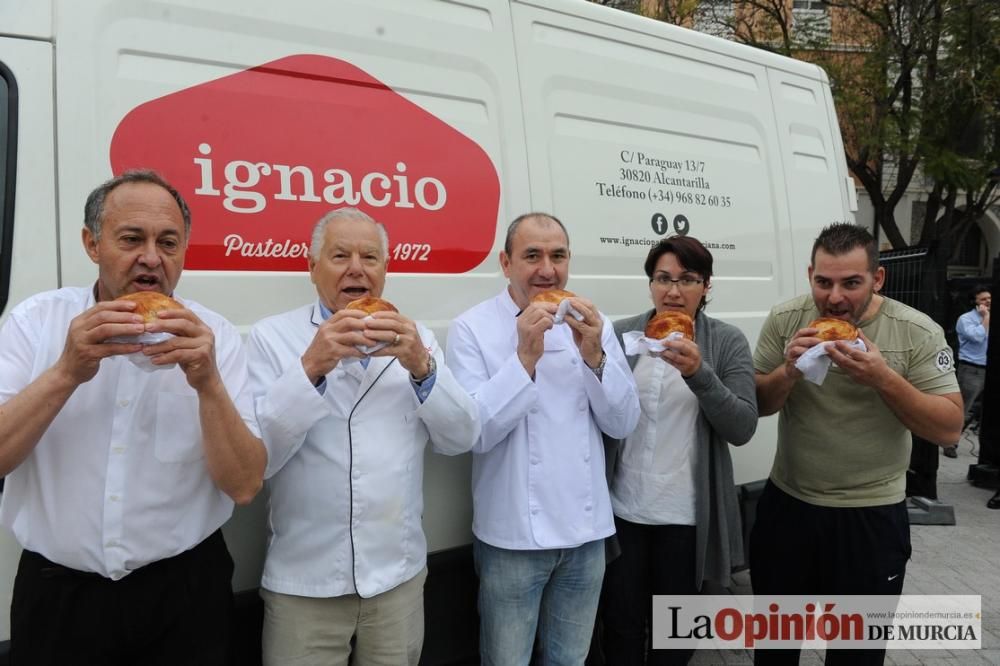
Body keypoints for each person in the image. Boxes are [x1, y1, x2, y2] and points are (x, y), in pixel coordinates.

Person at [0, 170, 267, 665]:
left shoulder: (216, 338)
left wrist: (207, 383)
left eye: (168, 242)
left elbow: (245, 485)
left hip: (185, 595)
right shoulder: (35, 322)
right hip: (59, 598)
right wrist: (66, 372)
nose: (151, 257)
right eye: (131, 239)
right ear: (91, 244)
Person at [246, 207, 480, 666]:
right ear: (312, 268)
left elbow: (462, 436)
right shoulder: (273, 338)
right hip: (305, 587)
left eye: (370, 257)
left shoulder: (417, 339)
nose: (357, 268)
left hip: (397, 581)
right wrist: (311, 366)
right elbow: (258, 460)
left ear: (385, 270)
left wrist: (422, 367)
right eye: (339, 256)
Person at [750, 222, 962, 665]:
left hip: (871, 517)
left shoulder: (915, 330)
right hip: (789, 507)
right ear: (810, 274)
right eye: (823, 282)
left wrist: (882, 378)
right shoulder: (788, 318)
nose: (834, 298)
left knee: (856, 655)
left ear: (877, 279)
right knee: (775, 650)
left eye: (851, 283)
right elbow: (757, 405)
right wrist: (789, 370)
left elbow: (949, 428)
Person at [446, 212, 640, 665]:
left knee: (569, 660)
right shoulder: (472, 327)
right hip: (512, 535)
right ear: (505, 262)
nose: (546, 269)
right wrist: (525, 358)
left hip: (586, 536)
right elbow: (474, 431)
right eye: (532, 255)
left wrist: (593, 354)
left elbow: (623, 422)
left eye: (557, 256)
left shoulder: (595, 324)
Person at [600, 236, 757, 665]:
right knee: (620, 626)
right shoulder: (621, 335)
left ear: (706, 286)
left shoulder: (726, 342)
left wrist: (699, 374)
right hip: (623, 511)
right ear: (650, 284)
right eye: (663, 278)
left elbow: (742, 426)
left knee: (674, 636)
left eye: (687, 279)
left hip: (686, 518)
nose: (673, 291)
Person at [944, 285, 990, 458]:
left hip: (989, 369)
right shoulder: (966, 319)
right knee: (963, 408)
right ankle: (950, 442)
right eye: (984, 299)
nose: (988, 302)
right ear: (975, 301)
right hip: (972, 369)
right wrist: (985, 318)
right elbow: (977, 337)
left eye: (990, 299)